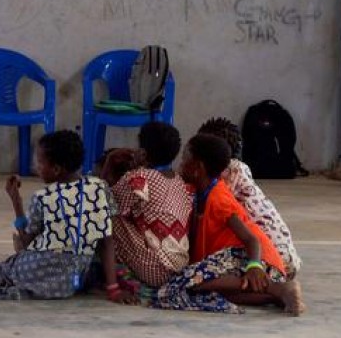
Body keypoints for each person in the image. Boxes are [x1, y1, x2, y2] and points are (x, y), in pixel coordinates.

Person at [0, 130, 132, 302]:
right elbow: (107, 241)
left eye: (39, 162)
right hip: (71, 281)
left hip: (37, 270)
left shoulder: (44, 197)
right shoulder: (100, 187)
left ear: (56, 169)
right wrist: (113, 289)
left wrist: (16, 201)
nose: (36, 167)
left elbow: (27, 240)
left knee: (9, 268)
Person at [152, 134, 305, 315]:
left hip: (253, 260)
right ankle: (278, 295)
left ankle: (275, 287)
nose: (181, 165)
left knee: (189, 282)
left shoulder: (218, 199)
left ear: (198, 168)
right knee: (209, 290)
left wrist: (254, 266)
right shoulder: (196, 193)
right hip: (232, 266)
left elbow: (251, 239)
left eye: (185, 159)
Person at [198, 117, 302, 277]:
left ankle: (276, 290)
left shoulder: (231, 172)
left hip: (272, 257)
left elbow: (211, 204)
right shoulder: (238, 168)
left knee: (206, 279)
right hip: (282, 255)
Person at [106, 122, 193, 288]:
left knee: (103, 216)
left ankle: (107, 275)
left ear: (143, 153)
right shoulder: (179, 181)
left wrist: (109, 162)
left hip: (155, 268)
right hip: (179, 267)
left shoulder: (140, 177)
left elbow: (106, 200)